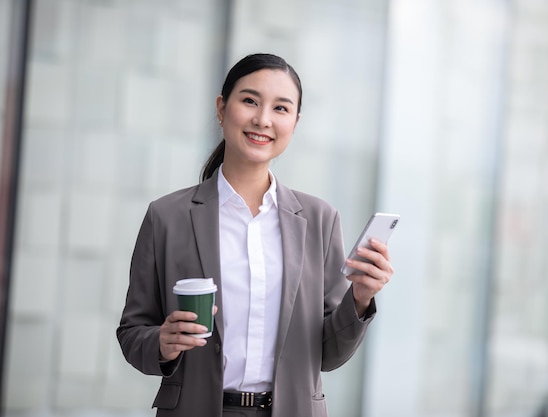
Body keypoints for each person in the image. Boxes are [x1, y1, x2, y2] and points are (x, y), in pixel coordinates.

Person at [117, 53, 394, 417]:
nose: (263, 119)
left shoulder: (319, 220)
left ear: (294, 123)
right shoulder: (168, 217)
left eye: (281, 108)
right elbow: (133, 332)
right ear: (221, 108)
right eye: (249, 101)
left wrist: (359, 299)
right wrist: (162, 343)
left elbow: (329, 354)